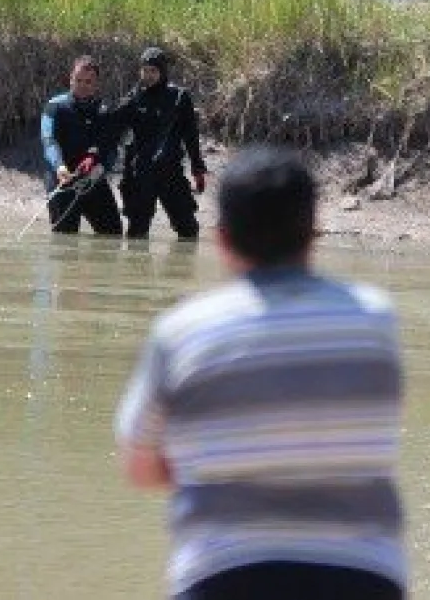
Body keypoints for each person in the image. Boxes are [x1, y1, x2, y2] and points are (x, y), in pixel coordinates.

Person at [115, 147, 407, 600]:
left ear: (223, 240)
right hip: (363, 578)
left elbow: (139, 467)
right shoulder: (374, 322)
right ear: (313, 233)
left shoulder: (183, 333)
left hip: (223, 577)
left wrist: (219, 458)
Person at [112, 46, 208, 239]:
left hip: (170, 172)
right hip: (140, 174)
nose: (147, 75)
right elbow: (113, 130)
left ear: (163, 71)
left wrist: (197, 168)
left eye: (153, 71)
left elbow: (191, 136)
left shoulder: (179, 98)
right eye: (144, 70)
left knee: (188, 230)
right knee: (137, 233)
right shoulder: (134, 97)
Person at [39, 55, 124, 235]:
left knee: (113, 235)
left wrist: (101, 168)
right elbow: (48, 140)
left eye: (88, 81)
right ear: (70, 79)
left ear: (96, 84)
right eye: (78, 80)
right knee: (64, 243)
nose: (82, 86)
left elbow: (110, 147)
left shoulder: (105, 111)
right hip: (62, 180)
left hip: (93, 179)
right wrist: (59, 165)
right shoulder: (55, 107)